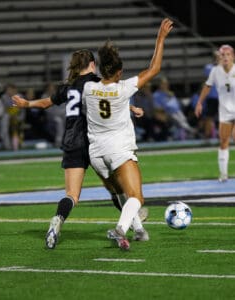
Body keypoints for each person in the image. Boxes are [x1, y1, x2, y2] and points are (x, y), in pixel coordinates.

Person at [12, 49, 147, 250]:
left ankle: (58, 219)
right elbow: (107, 99)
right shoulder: (94, 82)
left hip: (70, 142)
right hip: (94, 143)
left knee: (72, 195)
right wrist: (131, 108)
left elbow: (46, 103)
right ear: (93, 64)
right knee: (117, 189)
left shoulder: (68, 86)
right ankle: (134, 227)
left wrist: (26, 104)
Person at [82, 18, 173, 250]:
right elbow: (154, 68)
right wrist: (160, 38)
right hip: (119, 150)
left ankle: (139, 230)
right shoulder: (124, 89)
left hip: (96, 153)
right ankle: (120, 229)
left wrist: (128, 107)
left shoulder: (88, 89)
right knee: (136, 198)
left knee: (121, 193)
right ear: (120, 72)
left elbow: (103, 100)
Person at [195, 44, 235, 182]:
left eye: (228, 54)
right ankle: (223, 174)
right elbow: (207, 86)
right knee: (223, 141)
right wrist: (199, 102)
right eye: (222, 55)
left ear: (233, 57)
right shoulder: (215, 71)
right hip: (225, 112)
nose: (225, 57)